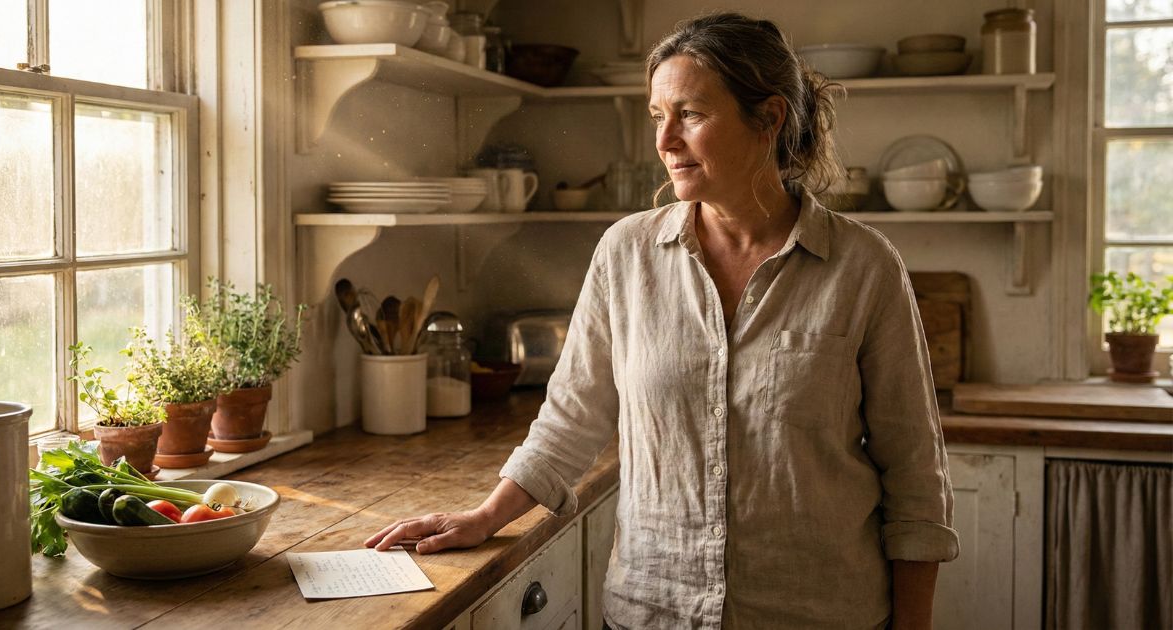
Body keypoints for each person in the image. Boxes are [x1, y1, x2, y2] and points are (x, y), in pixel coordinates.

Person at [367, 12, 959, 629]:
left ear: (770, 118)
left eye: (690, 114)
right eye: (657, 116)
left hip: (817, 613)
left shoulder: (864, 267)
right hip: (654, 610)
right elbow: (572, 417)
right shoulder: (625, 255)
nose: (665, 141)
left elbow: (915, 473)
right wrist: (485, 517)